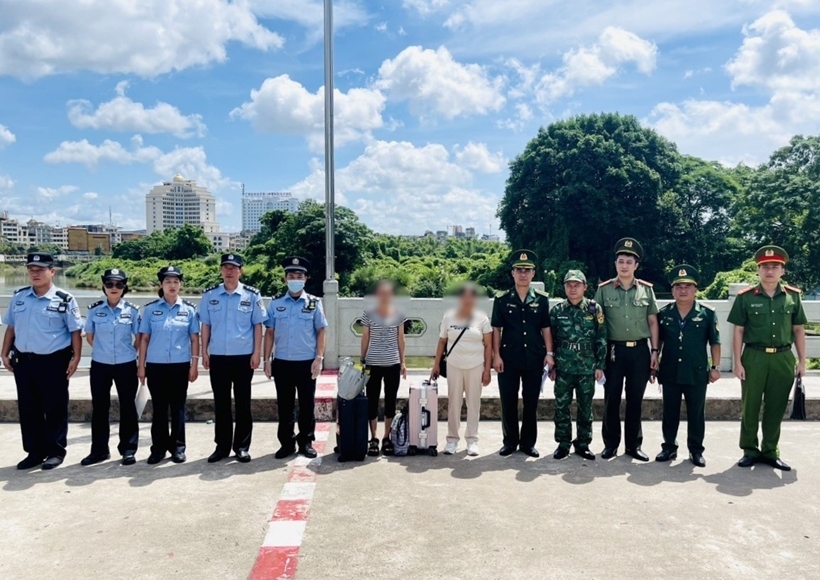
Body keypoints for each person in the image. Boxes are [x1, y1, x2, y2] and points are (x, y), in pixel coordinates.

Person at [728, 245, 807, 471]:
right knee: (750, 405)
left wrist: (802, 361)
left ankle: (770, 451)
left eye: (775, 266)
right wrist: (738, 362)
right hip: (754, 356)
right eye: (765, 267)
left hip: (783, 357)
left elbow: (799, 330)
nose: (769, 271)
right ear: (758, 270)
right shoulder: (745, 298)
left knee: (776, 406)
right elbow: (738, 331)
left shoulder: (792, 297)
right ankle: (749, 450)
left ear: (783, 270)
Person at [1, 253, 82, 470]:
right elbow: (11, 327)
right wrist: (4, 352)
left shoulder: (64, 299)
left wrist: (76, 358)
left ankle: (55, 451)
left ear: (52, 272)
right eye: (31, 270)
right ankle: (34, 452)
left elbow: (75, 331)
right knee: (29, 408)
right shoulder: (19, 297)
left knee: (55, 407)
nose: (35, 274)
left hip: (53, 362)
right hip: (24, 361)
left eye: (40, 270)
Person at [594, 238, 660, 461]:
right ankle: (610, 444)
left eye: (629, 262)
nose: (624, 265)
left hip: (640, 351)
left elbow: (653, 322)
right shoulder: (603, 291)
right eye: (620, 261)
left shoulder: (646, 290)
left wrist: (655, 351)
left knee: (635, 399)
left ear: (636, 265)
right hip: (613, 351)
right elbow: (597, 323)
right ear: (615, 264)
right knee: (611, 398)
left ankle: (633, 445)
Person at [199, 254, 267, 464]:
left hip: (243, 356)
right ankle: (222, 446)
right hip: (218, 356)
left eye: (234, 267)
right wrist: (204, 351)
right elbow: (206, 325)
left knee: (243, 402)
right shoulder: (210, 295)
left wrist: (257, 353)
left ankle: (242, 447)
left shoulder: (252, 295)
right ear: (221, 270)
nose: (229, 271)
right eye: (226, 267)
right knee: (221, 403)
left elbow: (258, 326)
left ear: (241, 271)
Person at [654, 265, 721, 467]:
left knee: (696, 413)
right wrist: (654, 360)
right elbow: (659, 342)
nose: (683, 290)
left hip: (697, 371)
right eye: (678, 286)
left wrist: (715, 367)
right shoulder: (664, 314)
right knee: (670, 411)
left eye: (688, 286)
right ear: (672, 290)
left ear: (695, 290)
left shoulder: (707, 314)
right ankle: (668, 447)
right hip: (670, 370)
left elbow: (715, 342)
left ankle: (696, 450)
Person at [263, 257, 328, 460]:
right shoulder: (275, 303)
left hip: (306, 362)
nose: (295, 279)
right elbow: (270, 333)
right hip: (282, 362)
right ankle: (286, 443)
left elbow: (321, 331)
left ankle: (306, 442)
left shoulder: (314, 303)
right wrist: (266, 360)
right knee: (285, 405)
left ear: (305, 279)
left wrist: (319, 358)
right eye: (291, 276)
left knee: (307, 405)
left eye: (299, 276)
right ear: (285, 279)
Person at [491, 250, 554, 457]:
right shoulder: (501, 299)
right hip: (508, 358)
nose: (523, 274)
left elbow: (546, 328)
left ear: (534, 273)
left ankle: (528, 443)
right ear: (513, 273)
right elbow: (496, 330)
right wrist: (496, 356)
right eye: (519, 270)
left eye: (527, 270)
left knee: (531, 401)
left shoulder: (542, 300)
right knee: (508, 400)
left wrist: (550, 353)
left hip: (534, 358)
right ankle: (509, 441)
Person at [137, 266, 200, 465]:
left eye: (175, 282)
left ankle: (178, 448)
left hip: (180, 365)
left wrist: (194, 365)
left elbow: (194, 339)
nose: (172, 286)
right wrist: (141, 365)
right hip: (155, 365)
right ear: (161, 285)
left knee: (178, 408)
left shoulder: (189, 310)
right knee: (159, 408)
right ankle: (158, 449)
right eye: (167, 282)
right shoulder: (151, 309)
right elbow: (144, 339)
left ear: (180, 284)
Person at [81, 268, 141, 466]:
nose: (114, 288)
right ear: (104, 286)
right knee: (99, 408)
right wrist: (103, 350)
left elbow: (139, 337)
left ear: (124, 287)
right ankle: (99, 451)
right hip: (100, 364)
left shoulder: (132, 310)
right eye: (109, 284)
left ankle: (128, 450)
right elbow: (89, 336)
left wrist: (129, 352)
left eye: (119, 284)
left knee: (128, 407)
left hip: (126, 364)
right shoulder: (94, 310)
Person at [549, 270, 607, 461]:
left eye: (577, 285)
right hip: (564, 368)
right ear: (564, 287)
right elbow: (551, 340)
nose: (573, 288)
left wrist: (599, 365)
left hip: (586, 368)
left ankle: (583, 444)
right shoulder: (557, 311)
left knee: (585, 407)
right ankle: (563, 443)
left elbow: (601, 337)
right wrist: (552, 366)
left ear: (585, 287)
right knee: (562, 406)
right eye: (569, 285)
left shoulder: (594, 309)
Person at [432, 282, 492, 456]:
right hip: (454, 365)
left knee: (474, 403)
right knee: (454, 403)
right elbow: (442, 341)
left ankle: (472, 440)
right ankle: (452, 440)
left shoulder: (482, 318)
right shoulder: (449, 317)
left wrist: (487, 370)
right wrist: (436, 364)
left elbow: (488, 346)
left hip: (475, 366)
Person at [360, 280, 406, 456]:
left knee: (390, 401)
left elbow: (401, 339)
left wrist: (403, 362)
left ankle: (387, 437)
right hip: (372, 362)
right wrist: (362, 360)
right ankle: (374, 437)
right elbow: (365, 338)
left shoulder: (399, 314)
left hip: (392, 362)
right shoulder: (369, 313)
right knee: (372, 400)